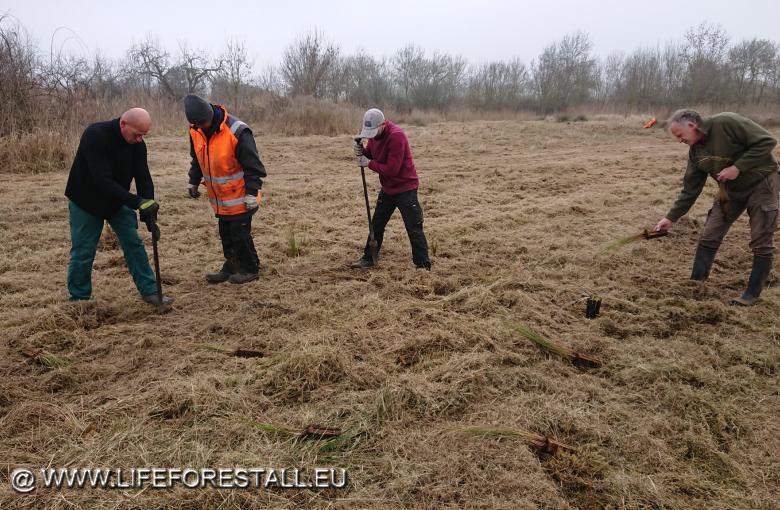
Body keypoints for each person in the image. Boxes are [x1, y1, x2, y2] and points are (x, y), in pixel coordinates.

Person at [654, 109, 779, 306]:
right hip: (730, 191)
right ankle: (697, 283)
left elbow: (767, 141)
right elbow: (690, 190)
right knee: (709, 234)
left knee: (761, 239)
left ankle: (751, 295)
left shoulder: (726, 122)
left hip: (761, 183)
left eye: (679, 135)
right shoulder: (696, 153)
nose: (679, 140)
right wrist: (670, 218)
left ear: (692, 126)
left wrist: (738, 167)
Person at [65, 108, 173, 306]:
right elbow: (102, 181)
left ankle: (150, 292)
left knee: (134, 244)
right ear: (123, 124)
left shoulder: (137, 145)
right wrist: (136, 202)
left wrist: (149, 214)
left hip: (116, 201)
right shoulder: (95, 135)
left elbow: (143, 177)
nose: (140, 139)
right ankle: (79, 300)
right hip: (86, 201)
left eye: (143, 135)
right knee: (83, 251)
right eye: (137, 134)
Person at [184, 94, 266, 284]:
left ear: (211, 113)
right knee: (226, 235)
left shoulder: (237, 131)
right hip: (220, 200)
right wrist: (193, 180)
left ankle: (250, 268)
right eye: (197, 124)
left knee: (240, 235)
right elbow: (197, 158)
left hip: (242, 197)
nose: (202, 126)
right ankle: (231, 266)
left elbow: (254, 167)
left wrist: (252, 194)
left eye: (204, 122)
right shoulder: (195, 130)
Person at [351, 108, 432, 270]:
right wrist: (362, 152)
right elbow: (371, 153)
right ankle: (369, 258)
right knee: (377, 224)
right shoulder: (374, 136)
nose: (371, 135)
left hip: (405, 187)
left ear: (383, 124)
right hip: (388, 188)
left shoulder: (396, 136)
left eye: (374, 131)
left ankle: (422, 265)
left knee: (413, 227)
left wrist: (368, 163)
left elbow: (392, 169)